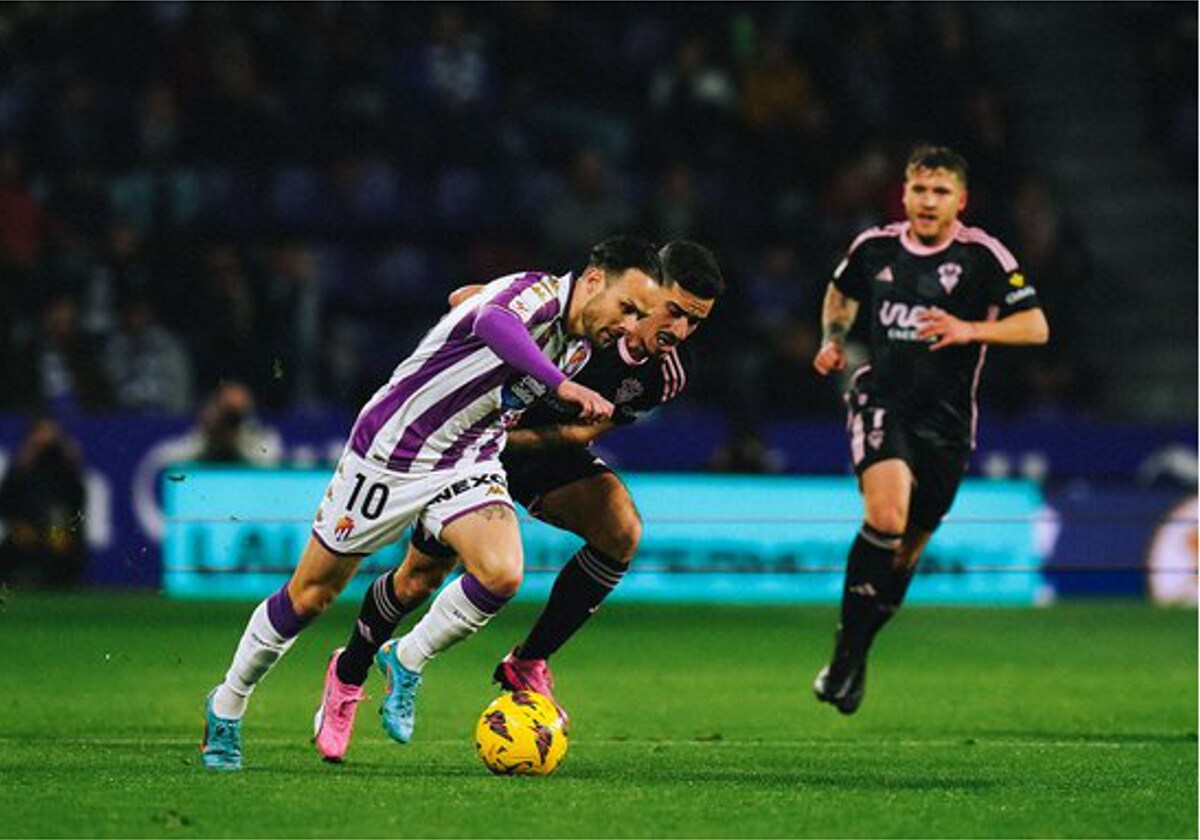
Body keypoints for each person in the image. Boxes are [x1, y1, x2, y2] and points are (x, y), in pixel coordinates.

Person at [201, 235, 668, 770]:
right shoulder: (534, 293)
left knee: (501, 573)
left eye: (640, 316)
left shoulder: (582, 341)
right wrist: (559, 385)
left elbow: (466, 303)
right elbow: (495, 323)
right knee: (311, 596)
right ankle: (227, 704)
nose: (630, 325)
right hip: (391, 453)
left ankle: (405, 657)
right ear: (591, 281)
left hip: (469, 457)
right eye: (627, 307)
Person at [308, 241, 724, 761]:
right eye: (676, 312)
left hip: (537, 447)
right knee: (419, 579)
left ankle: (528, 661)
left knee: (622, 530)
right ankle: (349, 672)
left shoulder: (663, 376)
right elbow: (472, 301)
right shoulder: (587, 310)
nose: (680, 332)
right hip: (469, 444)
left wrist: (514, 440)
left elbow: (579, 435)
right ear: (648, 290)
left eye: (696, 323)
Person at [810, 145, 1049, 714]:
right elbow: (841, 290)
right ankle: (845, 656)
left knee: (907, 548)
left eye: (940, 192)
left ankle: (857, 651)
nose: (927, 201)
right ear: (906, 192)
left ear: (960, 201)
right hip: (883, 400)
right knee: (886, 518)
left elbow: (1036, 326)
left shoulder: (983, 256)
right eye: (919, 189)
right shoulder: (876, 247)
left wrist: (970, 329)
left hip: (946, 423)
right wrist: (832, 340)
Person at [0, 417, 88, 589]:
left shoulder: (64, 469)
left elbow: (77, 504)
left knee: (64, 548)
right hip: (27, 530)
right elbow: (7, 502)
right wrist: (18, 525)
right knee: (12, 548)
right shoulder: (22, 470)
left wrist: (66, 530)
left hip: (58, 530)